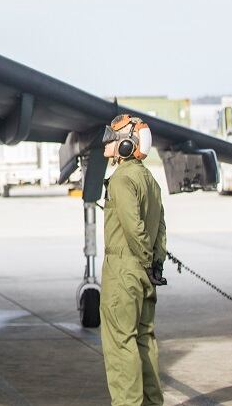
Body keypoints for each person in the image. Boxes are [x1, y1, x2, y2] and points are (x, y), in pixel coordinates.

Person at [100, 114, 168, 406]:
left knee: (120, 343)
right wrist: (155, 263)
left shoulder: (122, 179)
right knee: (144, 339)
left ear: (127, 144)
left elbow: (134, 228)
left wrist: (144, 260)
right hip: (144, 272)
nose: (106, 141)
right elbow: (160, 227)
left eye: (112, 137)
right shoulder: (150, 181)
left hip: (123, 270)